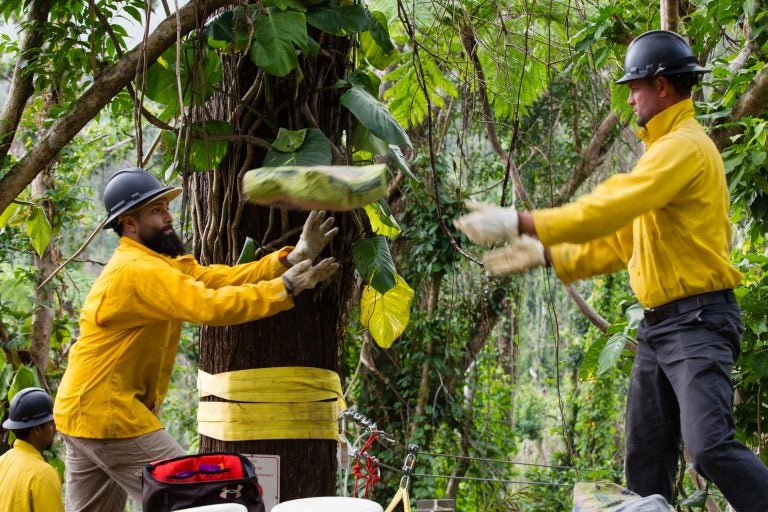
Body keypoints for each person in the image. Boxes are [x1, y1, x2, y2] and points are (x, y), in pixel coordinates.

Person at [454, 30, 768, 511]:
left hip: (698, 322)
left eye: (635, 87)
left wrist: (524, 222)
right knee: (644, 465)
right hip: (660, 327)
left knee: (708, 447)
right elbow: (622, 244)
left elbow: (610, 207)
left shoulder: (683, 146)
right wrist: (549, 255)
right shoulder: (660, 152)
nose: (630, 97)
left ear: (662, 86)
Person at [53, 167, 339, 512]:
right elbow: (210, 306)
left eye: (165, 207)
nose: (168, 217)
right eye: (156, 211)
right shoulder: (139, 271)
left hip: (78, 414)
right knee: (198, 501)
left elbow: (213, 279)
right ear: (130, 224)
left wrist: (289, 260)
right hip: (109, 417)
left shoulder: (153, 263)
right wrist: (285, 288)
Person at [0, 387, 64, 511]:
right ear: (37, 430)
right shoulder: (43, 474)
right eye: (51, 424)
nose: (55, 429)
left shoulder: (2, 462)